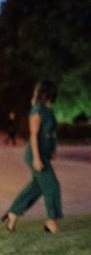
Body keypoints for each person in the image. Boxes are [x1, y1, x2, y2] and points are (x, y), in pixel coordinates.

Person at [2, 80, 63, 234]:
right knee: (52, 185)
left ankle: (13, 214)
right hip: (36, 155)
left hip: (44, 154)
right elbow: (34, 136)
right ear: (47, 93)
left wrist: (54, 148)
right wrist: (36, 159)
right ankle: (51, 221)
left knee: (36, 188)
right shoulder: (36, 111)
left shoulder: (49, 111)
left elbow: (52, 133)